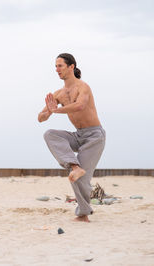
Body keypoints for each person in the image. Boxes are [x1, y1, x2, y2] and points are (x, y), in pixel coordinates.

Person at [38, 53, 106, 222]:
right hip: (78, 135)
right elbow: (40, 117)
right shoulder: (59, 94)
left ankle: (83, 214)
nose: (56, 69)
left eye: (60, 66)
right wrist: (47, 112)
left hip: (94, 136)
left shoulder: (83, 87)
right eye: (55, 66)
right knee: (50, 134)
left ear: (71, 67)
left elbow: (80, 105)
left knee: (81, 178)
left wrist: (57, 110)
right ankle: (74, 166)